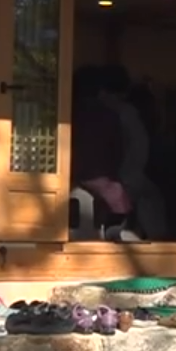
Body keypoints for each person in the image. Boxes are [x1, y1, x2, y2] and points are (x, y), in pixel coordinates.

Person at [99, 64, 168, 241]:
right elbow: (139, 146)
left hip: (118, 176)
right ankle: (155, 240)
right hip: (121, 177)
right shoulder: (125, 113)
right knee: (150, 197)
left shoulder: (118, 112)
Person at [70, 66, 132, 238]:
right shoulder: (109, 115)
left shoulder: (68, 112)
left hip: (70, 175)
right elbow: (118, 151)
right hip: (100, 178)